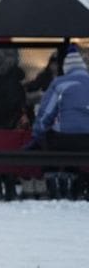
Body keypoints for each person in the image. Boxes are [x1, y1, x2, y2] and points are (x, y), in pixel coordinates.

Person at [31, 45, 89, 199]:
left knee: (49, 140)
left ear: (66, 67)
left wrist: (37, 133)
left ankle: (54, 182)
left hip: (64, 139)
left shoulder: (60, 83)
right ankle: (75, 185)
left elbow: (46, 114)